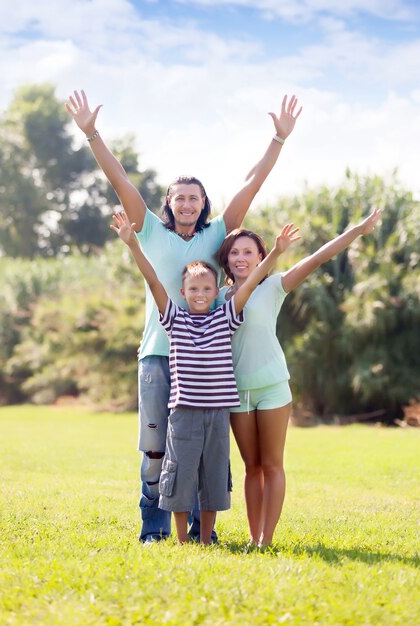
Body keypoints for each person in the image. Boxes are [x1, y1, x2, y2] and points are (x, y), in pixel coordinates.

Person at [65, 89, 302, 543]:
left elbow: (250, 185)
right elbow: (122, 184)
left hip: (207, 362)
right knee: (157, 449)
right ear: (169, 203)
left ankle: (200, 530)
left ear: (204, 203)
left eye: (195, 198)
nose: (187, 204)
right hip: (159, 354)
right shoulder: (151, 229)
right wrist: (92, 133)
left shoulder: (217, 235)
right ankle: (153, 528)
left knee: (201, 450)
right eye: (180, 198)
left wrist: (278, 139)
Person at [111, 210, 300, 543]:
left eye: (206, 288)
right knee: (180, 474)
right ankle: (183, 540)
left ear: (217, 292)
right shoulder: (174, 320)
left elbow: (253, 282)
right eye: (193, 289)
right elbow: (154, 280)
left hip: (217, 414)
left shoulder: (226, 317)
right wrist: (133, 246)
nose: (199, 294)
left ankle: (206, 537)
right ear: (183, 293)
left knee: (212, 477)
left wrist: (276, 253)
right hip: (183, 413)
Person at [217, 208, 382, 547]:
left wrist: (357, 230)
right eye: (235, 252)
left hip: (273, 387)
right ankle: (252, 538)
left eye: (249, 251)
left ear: (262, 256)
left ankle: (266, 539)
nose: (241, 257)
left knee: (273, 464)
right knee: (252, 467)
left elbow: (318, 258)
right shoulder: (214, 297)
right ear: (226, 259)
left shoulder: (274, 286)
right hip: (235, 393)